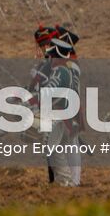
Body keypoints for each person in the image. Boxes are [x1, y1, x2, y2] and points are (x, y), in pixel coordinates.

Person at [35, 37, 82, 187]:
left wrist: (30, 98)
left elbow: (48, 92)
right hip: (65, 117)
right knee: (59, 152)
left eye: (51, 56)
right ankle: (66, 181)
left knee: (57, 153)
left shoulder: (60, 72)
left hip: (60, 119)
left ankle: (65, 182)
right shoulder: (66, 70)